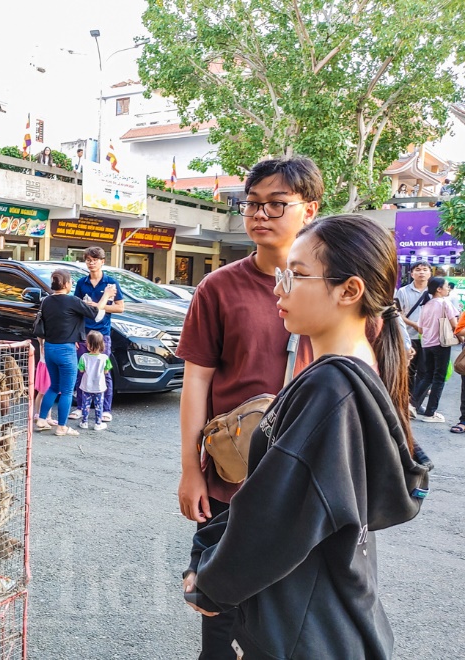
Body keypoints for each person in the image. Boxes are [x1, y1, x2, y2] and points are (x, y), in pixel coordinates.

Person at [182, 213, 428, 659]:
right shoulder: (352, 372)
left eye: (295, 275)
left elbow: (276, 514)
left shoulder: (331, 387)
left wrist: (210, 582)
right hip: (330, 610)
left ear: (349, 290)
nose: (279, 287)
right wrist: (208, 549)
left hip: (304, 629)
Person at [175, 156, 321, 659]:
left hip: (304, 478)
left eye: (277, 204)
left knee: (291, 606)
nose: (260, 214)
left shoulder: (329, 288)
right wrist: (191, 472)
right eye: (252, 204)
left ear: (309, 209)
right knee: (218, 606)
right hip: (229, 476)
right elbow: (197, 382)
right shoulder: (218, 288)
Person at [35, 269, 115, 437]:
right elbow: (95, 314)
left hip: (49, 348)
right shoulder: (72, 301)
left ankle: (42, 419)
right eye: (70, 281)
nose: (72, 283)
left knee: (53, 386)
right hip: (66, 350)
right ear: (66, 284)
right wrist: (106, 295)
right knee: (66, 390)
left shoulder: (46, 301)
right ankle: (62, 427)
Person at [69, 247, 125, 424]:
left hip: (102, 334)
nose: (91, 263)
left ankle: (106, 410)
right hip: (84, 333)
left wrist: (97, 305)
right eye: (88, 260)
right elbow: (76, 309)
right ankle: (79, 407)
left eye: (95, 260)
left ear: (102, 261)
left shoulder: (110, 283)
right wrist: (76, 336)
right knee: (81, 370)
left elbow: (120, 307)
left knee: (104, 371)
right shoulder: (81, 283)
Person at [410, 276, 459, 423]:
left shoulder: (426, 305)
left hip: (427, 344)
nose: (448, 288)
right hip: (441, 343)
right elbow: (455, 325)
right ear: (439, 289)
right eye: (446, 286)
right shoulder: (445, 303)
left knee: (427, 376)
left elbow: (420, 328)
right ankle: (430, 413)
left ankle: (411, 404)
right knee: (439, 378)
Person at [395, 261, 432, 397]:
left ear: (430, 273)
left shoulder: (434, 291)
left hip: (429, 338)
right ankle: (406, 399)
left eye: (424, 269)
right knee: (408, 371)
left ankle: (416, 402)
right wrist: (415, 325)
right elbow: (397, 314)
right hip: (408, 337)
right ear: (412, 274)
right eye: (417, 269)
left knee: (425, 371)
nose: (421, 272)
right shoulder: (402, 291)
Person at [76, 331, 113, 431]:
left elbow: (81, 370)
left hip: (86, 385)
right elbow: (106, 371)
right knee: (99, 405)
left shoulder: (84, 357)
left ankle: (84, 422)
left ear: (88, 344)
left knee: (85, 404)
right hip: (99, 386)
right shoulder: (104, 358)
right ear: (102, 345)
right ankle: (98, 423)